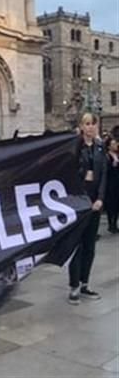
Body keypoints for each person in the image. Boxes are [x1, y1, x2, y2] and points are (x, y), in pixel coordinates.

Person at [68, 113, 108, 305]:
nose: (91, 127)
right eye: (87, 124)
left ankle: (85, 283)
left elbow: (104, 175)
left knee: (90, 246)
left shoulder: (100, 147)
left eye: (93, 124)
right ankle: (74, 286)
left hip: (96, 202)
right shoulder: (76, 147)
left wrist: (100, 198)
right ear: (81, 126)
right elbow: (70, 175)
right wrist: (84, 177)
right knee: (79, 245)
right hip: (80, 202)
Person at [104, 135, 119, 234]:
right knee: (111, 204)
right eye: (113, 144)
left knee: (117, 203)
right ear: (109, 146)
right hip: (110, 183)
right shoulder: (107, 156)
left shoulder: (117, 155)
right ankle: (111, 223)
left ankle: (115, 223)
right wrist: (113, 164)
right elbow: (105, 169)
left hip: (118, 182)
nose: (115, 146)